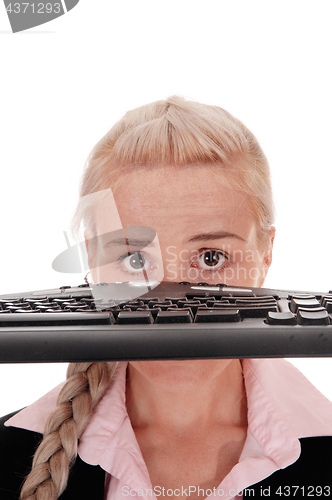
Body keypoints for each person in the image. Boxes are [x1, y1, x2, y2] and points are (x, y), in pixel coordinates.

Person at [1, 96, 332, 500]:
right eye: (135, 258)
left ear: (266, 254)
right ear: (92, 260)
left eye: (211, 258)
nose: (173, 305)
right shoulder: (8, 454)